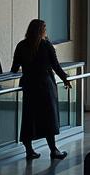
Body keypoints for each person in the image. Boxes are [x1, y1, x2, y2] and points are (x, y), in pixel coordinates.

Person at [11, 19, 72, 161]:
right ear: (41, 30)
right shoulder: (46, 45)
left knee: (28, 118)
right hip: (45, 86)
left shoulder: (22, 45)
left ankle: (29, 151)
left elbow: (15, 67)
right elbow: (55, 66)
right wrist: (65, 79)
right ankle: (53, 150)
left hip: (29, 86)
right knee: (48, 118)